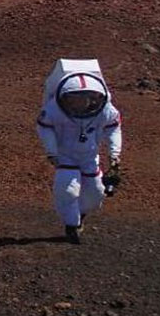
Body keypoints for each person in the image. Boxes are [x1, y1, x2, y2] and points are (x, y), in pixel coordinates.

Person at [36, 72, 123, 243]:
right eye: (74, 98)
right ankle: (71, 225)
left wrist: (115, 154)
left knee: (96, 194)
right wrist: (52, 151)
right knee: (67, 190)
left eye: (84, 98)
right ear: (66, 98)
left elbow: (113, 127)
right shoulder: (54, 109)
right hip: (65, 156)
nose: (79, 102)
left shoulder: (105, 110)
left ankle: (80, 215)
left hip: (89, 157)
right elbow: (44, 127)